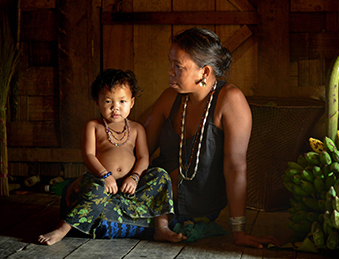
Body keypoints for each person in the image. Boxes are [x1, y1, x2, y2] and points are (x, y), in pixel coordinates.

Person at [142, 27, 280, 248]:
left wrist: (239, 232)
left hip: (198, 213)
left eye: (178, 67)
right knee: (87, 200)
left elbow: (235, 167)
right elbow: (140, 152)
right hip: (152, 204)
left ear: (204, 72)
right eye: (170, 63)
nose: (170, 71)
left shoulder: (229, 101)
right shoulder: (170, 99)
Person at [38, 69, 185, 245]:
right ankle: (63, 228)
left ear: (131, 102)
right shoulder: (93, 126)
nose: (115, 107)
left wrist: (135, 177)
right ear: (97, 102)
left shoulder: (137, 129)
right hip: (102, 182)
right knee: (95, 188)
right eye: (108, 101)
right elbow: (89, 155)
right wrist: (105, 175)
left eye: (122, 101)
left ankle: (162, 228)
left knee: (161, 175)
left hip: (130, 187)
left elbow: (144, 157)